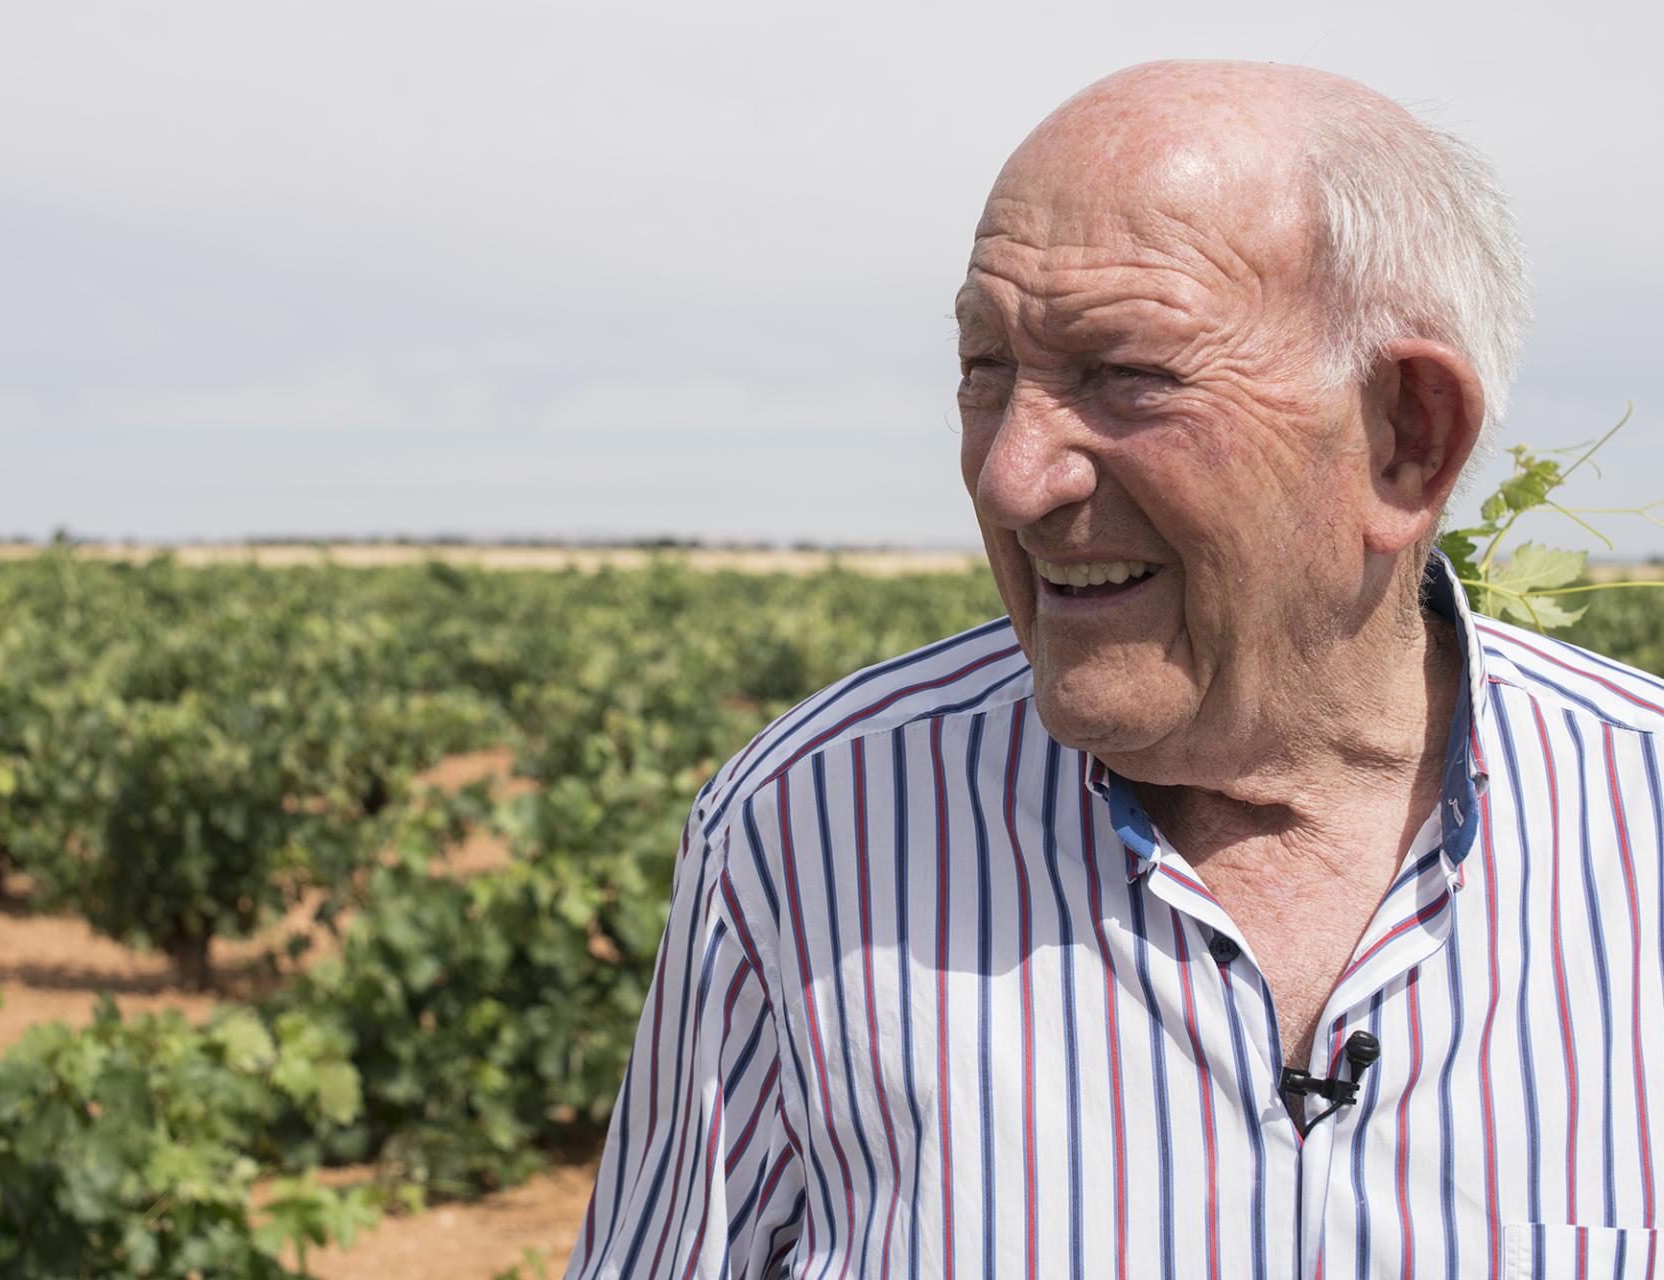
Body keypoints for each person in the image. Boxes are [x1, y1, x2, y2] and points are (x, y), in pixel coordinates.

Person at [565, 61, 1664, 1280]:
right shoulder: (808, 829)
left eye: (1124, 374)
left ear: (1404, 438)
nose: (1010, 478)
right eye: (986, 370)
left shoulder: (1644, 816)